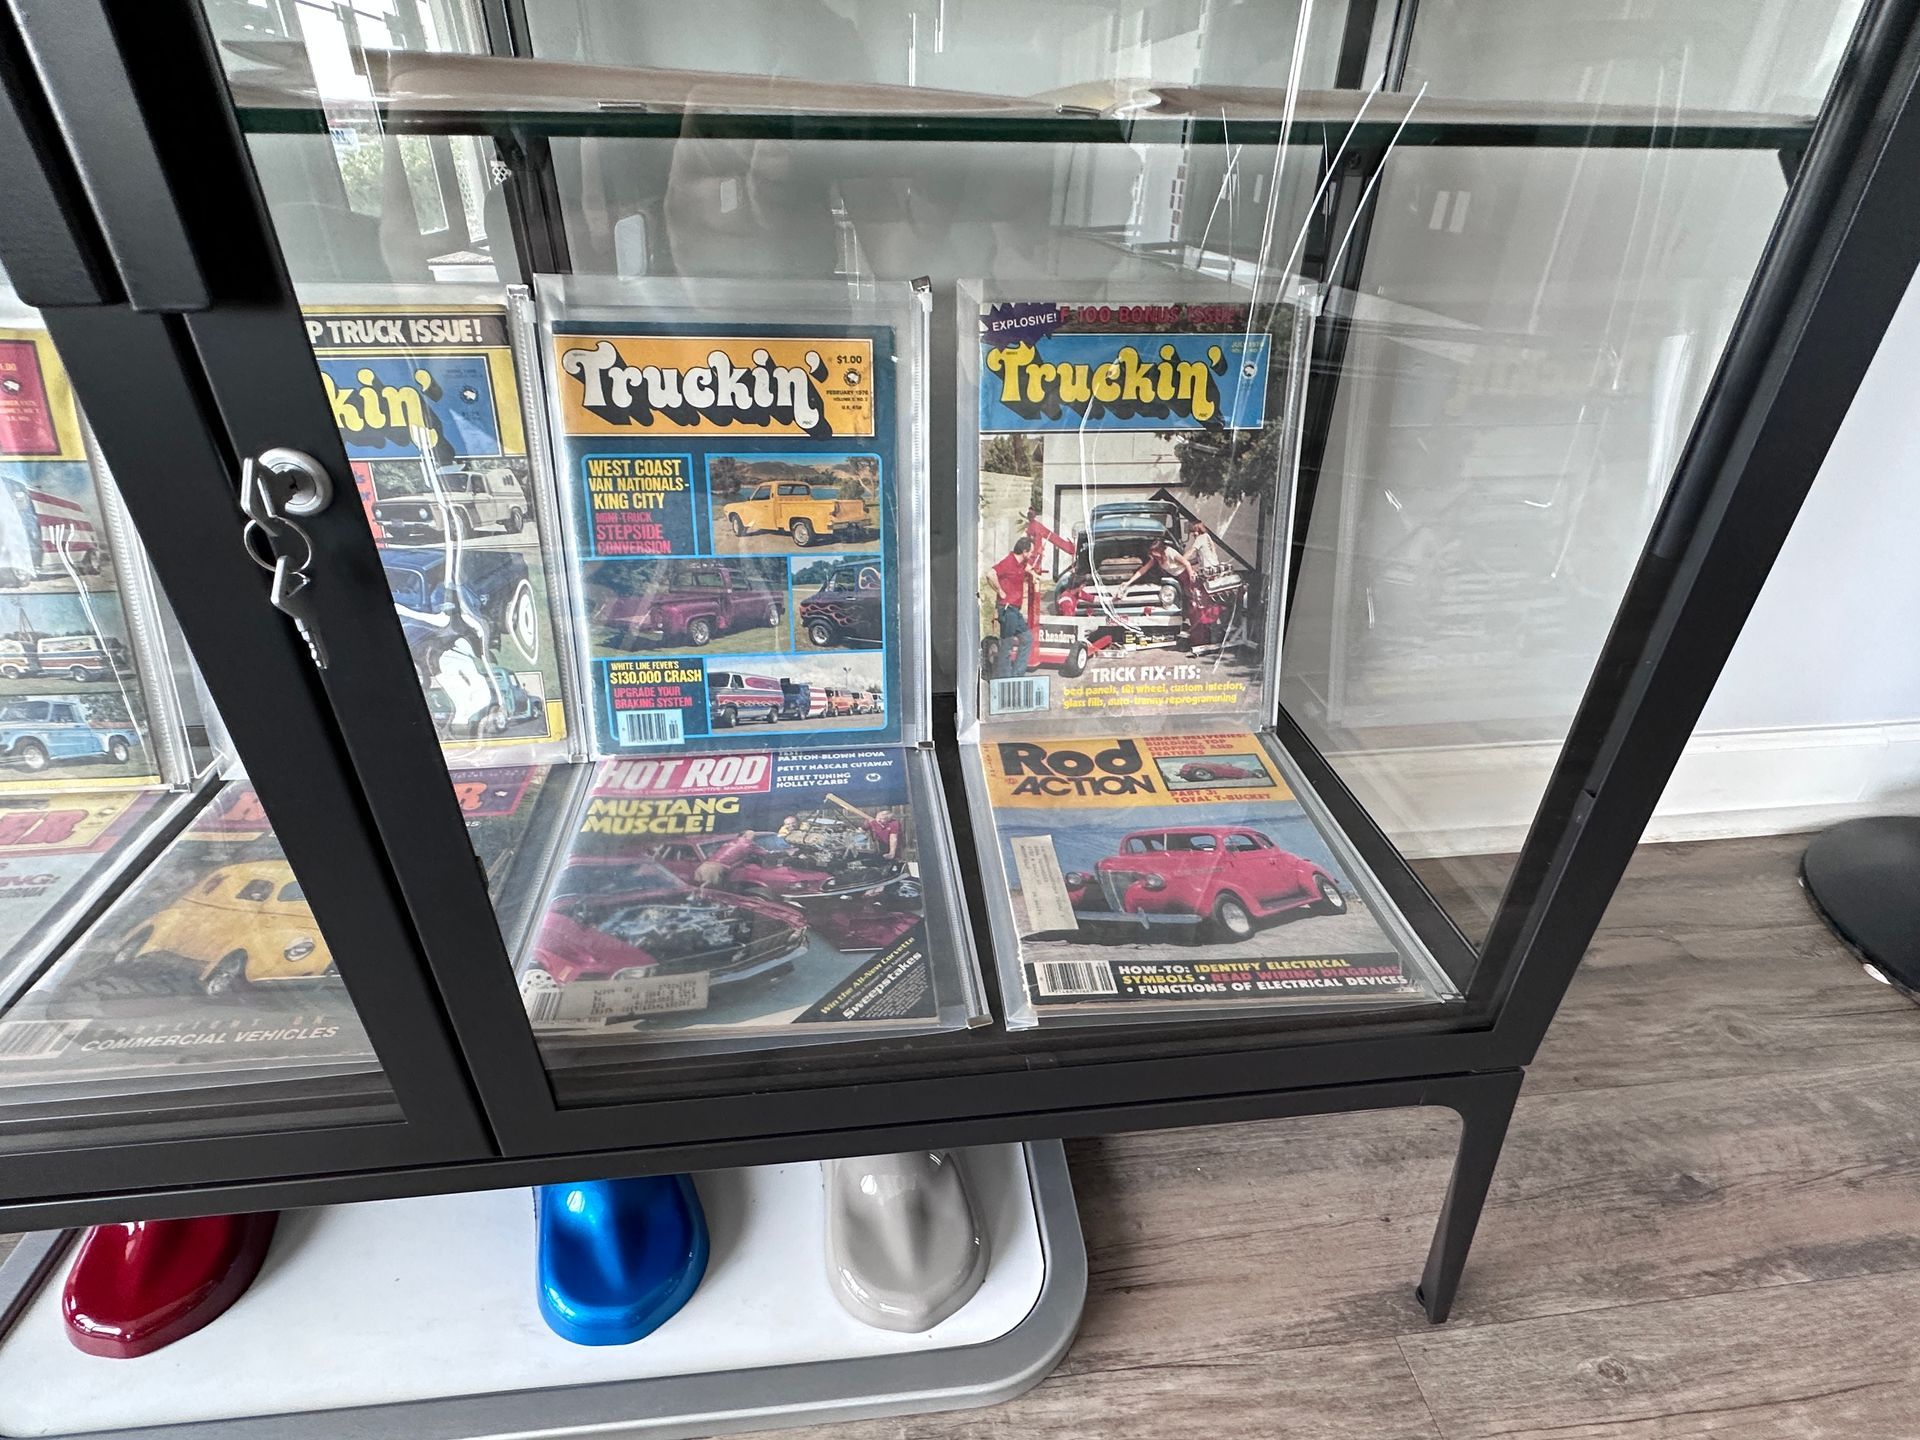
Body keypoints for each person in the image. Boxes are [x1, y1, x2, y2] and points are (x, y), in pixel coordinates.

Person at [990, 535, 1038, 678]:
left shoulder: (1020, 563)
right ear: (1024, 551)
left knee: (1027, 638)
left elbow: (1027, 567)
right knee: (1007, 644)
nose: (1031, 555)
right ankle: (1003, 677)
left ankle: (1017, 674)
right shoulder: (1008, 562)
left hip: (1015, 611)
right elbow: (990, 573)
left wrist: (1034, 574)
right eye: (1030, 552)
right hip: (1007, 609)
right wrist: (999, 591)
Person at [694, 830, 759, 887]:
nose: (753, 838)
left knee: (705, 890)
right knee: (711, 890)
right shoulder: (747, 844)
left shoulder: (727, 843)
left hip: (705, 866)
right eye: (752, 836)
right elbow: (763, 853)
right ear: (744, 836)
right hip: (715, 869)